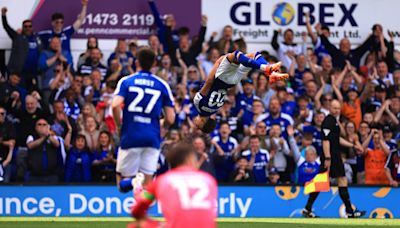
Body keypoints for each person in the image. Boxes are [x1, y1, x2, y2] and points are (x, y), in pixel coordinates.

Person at [111, 48, 175, 193]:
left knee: (122, 185)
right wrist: (162, 128)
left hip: (131, 135)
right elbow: (171, 118)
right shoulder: (162, 85)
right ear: (154, 64)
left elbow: (115, 105)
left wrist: (119, 126)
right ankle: (141, 212)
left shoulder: (126, 81)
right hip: (152, 138)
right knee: (146, 186)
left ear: (136, 62)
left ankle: (134, 180)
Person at [193, 51, 288, 133]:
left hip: (231, 82)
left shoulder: (215, 109)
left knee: (253, 55)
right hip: (222, 77)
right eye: (197, 126)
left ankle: (271, 71)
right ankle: (266, 68)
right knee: (236, 55)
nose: (195, 124)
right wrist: (217, 64)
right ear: (202, 122)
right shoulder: (199, 104)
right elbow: (209, 82)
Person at [302, 100, 366, 218]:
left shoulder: (335, 121)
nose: (337, 110)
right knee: (340, 179)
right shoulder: (328, 121)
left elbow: (337, 139)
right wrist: (327, 158)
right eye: (335, 108)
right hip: (331, 156)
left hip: (333, 155)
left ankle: (307, 209)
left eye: (338, 108)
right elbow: (325, 141)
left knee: (322, 182)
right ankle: (350, 211)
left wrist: (353, 146)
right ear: (329, 108)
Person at [130, 143, 217, 228]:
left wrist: (157, 223)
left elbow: (136, 210)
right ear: (188, 159)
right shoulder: (208, 180)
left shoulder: (162, 181)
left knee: (136, 225)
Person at [1, 7, 42, 90]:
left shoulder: (37, 38)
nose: (27, 28)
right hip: (20, 73)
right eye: (25, 26)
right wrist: (3, 15)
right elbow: (6, 27)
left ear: (32, 27)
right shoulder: (17, 37)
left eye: (29, 26)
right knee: (20, 93)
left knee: (33, 94)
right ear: (23, 27)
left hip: (34, 73)